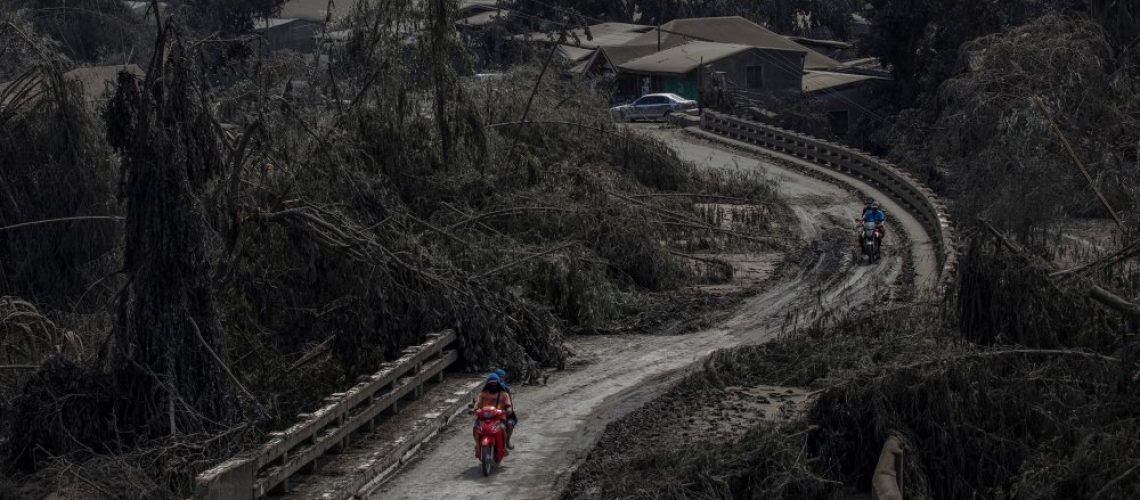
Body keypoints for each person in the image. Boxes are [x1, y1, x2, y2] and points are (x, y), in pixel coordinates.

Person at [473, 373, 516, 451]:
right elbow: (477, 404)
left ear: (498, 384)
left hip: (499, 418)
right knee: (475, 427)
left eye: (495, 384)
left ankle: (503, 447)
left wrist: (508, 410)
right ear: (488, 384)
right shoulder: (483, 394)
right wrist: (474, 409)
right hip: (483, 417)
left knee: (502, 428)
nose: (493, 386)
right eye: (491, 384)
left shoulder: (504, 394)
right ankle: (477, 444)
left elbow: (508, 406)